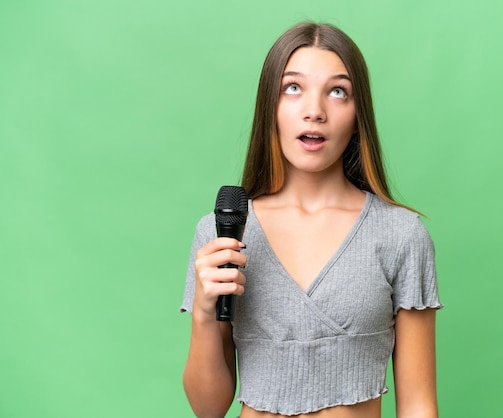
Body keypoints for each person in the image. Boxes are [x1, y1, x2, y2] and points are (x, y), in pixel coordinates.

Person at [180, 22, 443, 418]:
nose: (314, 111)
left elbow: (419, 405)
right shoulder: (221, 232)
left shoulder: (401, 235)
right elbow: (208, 408)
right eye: (293, 87)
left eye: (337, 91)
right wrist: (203, 313)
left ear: (358, 116)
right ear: (271, 106)